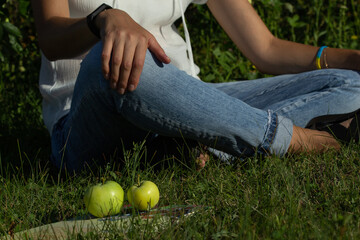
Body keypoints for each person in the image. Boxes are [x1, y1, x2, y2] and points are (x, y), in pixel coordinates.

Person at [31, 0, 360, 172]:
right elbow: (49, 37)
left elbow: (266, 48)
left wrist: (353, 59)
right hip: (90, 115)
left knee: (349, 83)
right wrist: (102, 19)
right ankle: (286, 139)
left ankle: (182, 149)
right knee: (122, 56)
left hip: (188, 101)